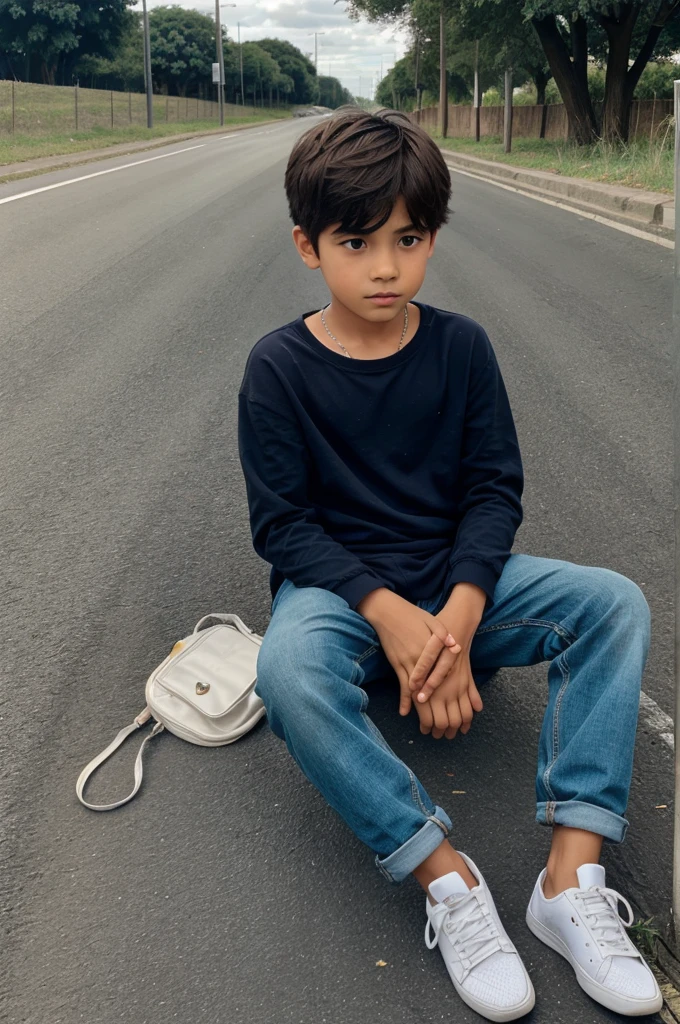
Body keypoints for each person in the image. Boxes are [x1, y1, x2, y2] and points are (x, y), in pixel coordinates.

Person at [236, 107, 662, 1021]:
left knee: (614, 603)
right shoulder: (277, 368)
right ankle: (448, 878)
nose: (386, 266)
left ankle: (569, 880)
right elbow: (285, 529)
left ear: (431, 236)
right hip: (345, 597)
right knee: (286, 669)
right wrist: (393, 616)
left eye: (410, 238)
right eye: (357, 241)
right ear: (309, 247)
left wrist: (460, 621)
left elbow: (492, 492)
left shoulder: (461, 346)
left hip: (463, 584)